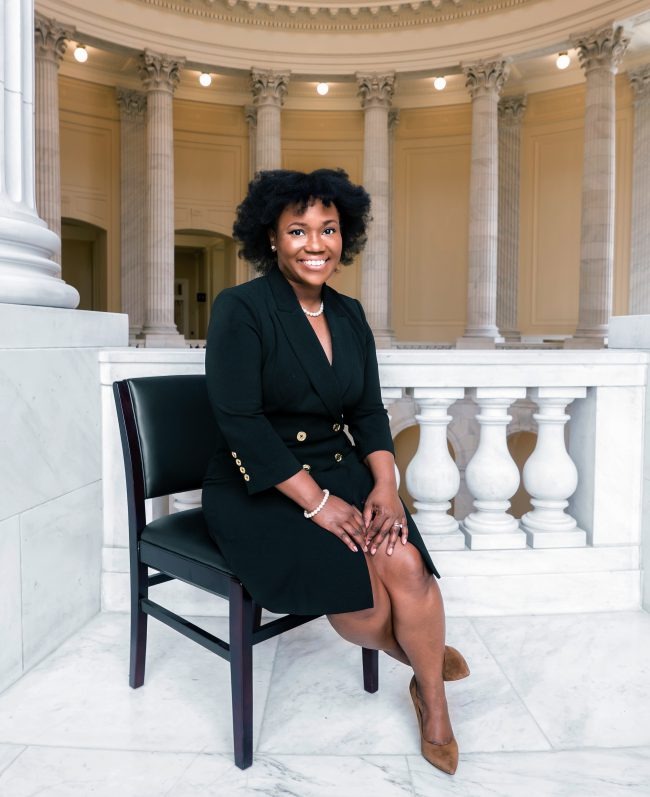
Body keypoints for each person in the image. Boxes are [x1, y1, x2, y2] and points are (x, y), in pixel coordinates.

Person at [202, 168, 469, 775]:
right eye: (298, 230)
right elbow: (241, 422)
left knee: (407, 566)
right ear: (271, 238)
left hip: (340, 467)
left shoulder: (349, 315)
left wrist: (384, 485)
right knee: (366, 611)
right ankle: (423, 657)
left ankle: (434, 702)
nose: (315, 243)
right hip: (261, 482)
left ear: (343, 237)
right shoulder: (241, 308)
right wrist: (318, 504)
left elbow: (367, 410)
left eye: (328, 229)